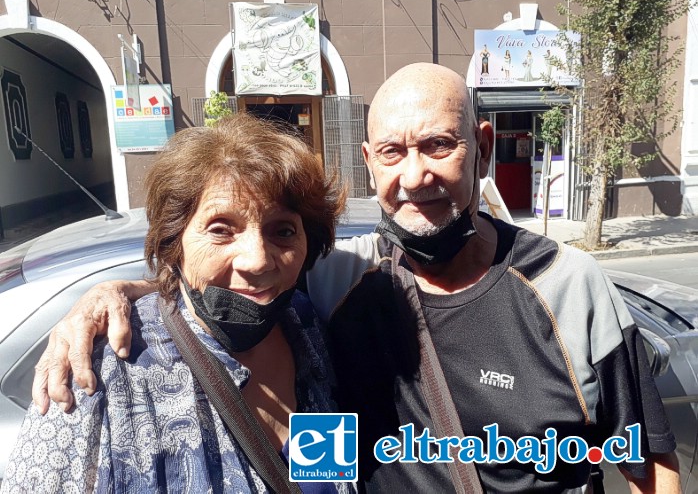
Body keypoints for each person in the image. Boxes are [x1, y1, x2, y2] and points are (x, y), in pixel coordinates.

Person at [33, 64, 679, 493]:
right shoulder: (340, 281)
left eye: (439, 145)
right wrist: (121, 292)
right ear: (371, 163)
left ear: (482, 146)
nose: (416, 174)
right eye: (394, 152)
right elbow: (231, 286)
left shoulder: (571, 285)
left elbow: (648, 463)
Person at [2, 114, 350, 493]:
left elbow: (327, 478)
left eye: (282, 231)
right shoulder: (99, 377)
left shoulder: (305, 325)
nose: (258, 260)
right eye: (221, 229)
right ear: (174, 241)